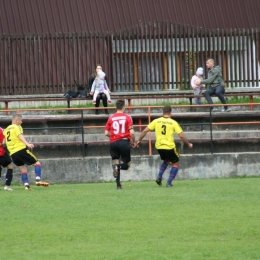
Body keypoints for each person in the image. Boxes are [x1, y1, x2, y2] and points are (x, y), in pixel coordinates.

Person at [136, 106, 193, 188]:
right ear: (170, 113)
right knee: (175, 163)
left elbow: (145, 130)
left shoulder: (156, 121)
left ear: (163, 113)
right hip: (169, 147)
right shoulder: (173, 122)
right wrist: (188, 143)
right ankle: (169, 183)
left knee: (166, 160)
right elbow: (181, 136)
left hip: (159, 147)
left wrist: (139, 140)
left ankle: (159, 176)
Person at [3, 114, 49, 190]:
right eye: (21, 120)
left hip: (13, 153)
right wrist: (27, 144)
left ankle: (26, 185)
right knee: (37, 163)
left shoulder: (6, 129)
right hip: (20, 150)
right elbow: (20, 136)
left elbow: (4, 142)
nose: (21, 122)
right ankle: (38, 179)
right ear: (16, 121)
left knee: (22, 168)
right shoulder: (17, 127)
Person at [105, 100, 136, 189]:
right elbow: (132, 133)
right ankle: (118, 167)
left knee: (116, 162)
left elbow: (106, 133)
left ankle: (118, 185)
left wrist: (115, 135)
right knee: (127, 165)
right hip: (123, 142)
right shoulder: (127, 117)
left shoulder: (111, 117)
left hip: (113, 143)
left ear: (116, 107)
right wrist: (133, 142)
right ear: (124, 107)